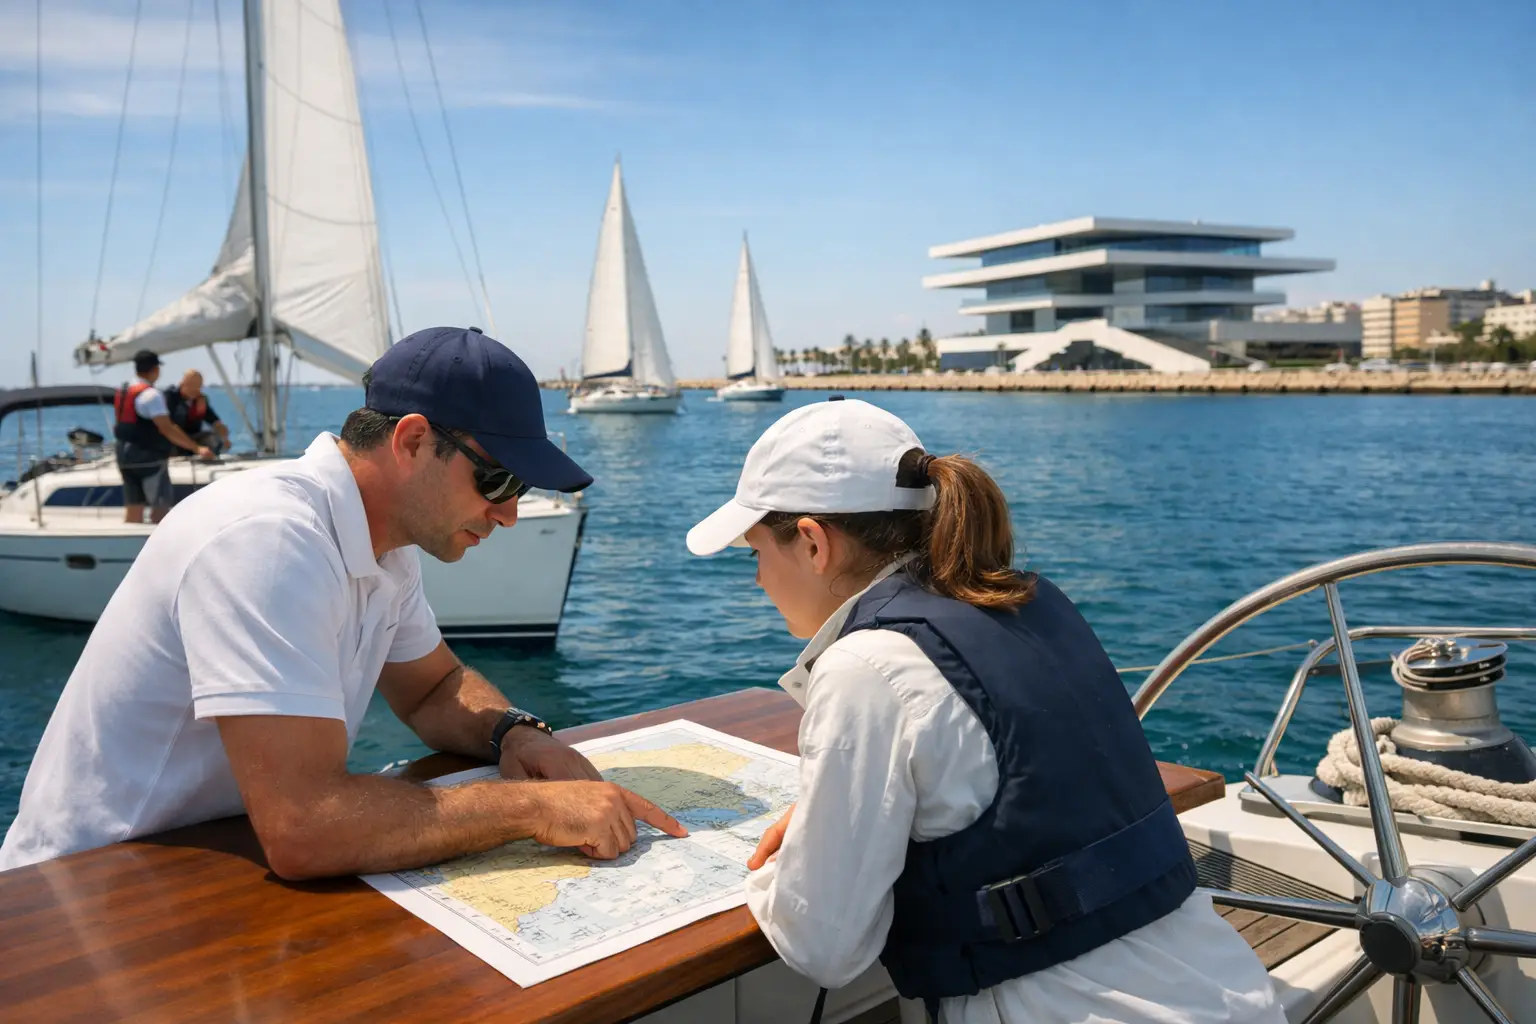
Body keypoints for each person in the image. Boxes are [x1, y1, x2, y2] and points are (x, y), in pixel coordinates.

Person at [0, 326, 686, 876]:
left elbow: (432, 689)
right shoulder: (267, 541)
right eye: (498, 480)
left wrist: (517, 733)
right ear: (413, 440)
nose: (508, 515)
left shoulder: (384, 547)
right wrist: (529, 808)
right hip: (78, 896)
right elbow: (304, 823)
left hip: (200, 869)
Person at [686, 398, 1280, 1024]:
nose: (757, 581)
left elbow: (824, 948)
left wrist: (783, 860)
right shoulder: (1027, 601)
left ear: (812, 543)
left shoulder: (865, 667)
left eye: (755, 552)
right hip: (1227, 991)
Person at [113, 349, 214, 523]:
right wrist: (196, 448)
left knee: (134, 505)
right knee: (160, 506)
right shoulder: (151, 395)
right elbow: (167, 428)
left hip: (124, 454)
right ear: (155, 370)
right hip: (148, 457)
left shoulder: (123, 391)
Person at [164, 370, 231, 455]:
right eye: (191, 385)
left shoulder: (200, 400)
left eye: (198, 386)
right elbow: (169, 426)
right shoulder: (170, 397)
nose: (194, 389)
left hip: (193, 437)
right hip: (173, 439)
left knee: (213, 439)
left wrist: (224, 438)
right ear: (182, 384)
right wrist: (195, 448)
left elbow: (215, 421)